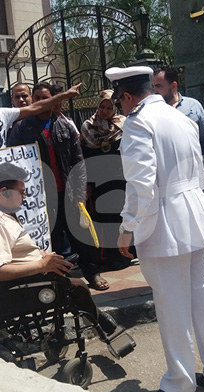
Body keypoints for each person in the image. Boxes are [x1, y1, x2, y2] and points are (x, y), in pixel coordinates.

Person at [109, 66, 204, 392]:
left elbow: (142, 185)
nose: (120, 107)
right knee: (202, 299)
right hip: (191, 215)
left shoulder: (138, 122)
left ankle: (180, 383)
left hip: (164, 222)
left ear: (126, 96)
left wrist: (127, 227)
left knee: (171, 305)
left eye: (119, 100)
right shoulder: (178, 116)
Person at [0, 163, 117, 335]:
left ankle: (97, 322)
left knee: (68, 272)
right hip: (13, 288)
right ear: (4, 192)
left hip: (25, 276)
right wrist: (42, 265)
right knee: (79, 287)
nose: (24, 197)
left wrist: (42, 257)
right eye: (21, 192)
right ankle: (101, 328)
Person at [8, 82, 108, 291]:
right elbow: (13, 162)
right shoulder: (21, 128)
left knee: (80, 236)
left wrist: (80, 192)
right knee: (51, 239)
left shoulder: (65, 125)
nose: (42, 101)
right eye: (37, 98)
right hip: (40, 197)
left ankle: (92, 273)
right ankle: (60, 280)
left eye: (45, 97)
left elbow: (78, 161)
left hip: (68, 193)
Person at [79, 89, 131, 271]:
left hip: (120, 179)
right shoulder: (88, 127)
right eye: (102, 107)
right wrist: (87, 184)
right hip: (99, 181)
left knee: (121, 217)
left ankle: (125, 255)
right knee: (103, 218)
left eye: (109, 108)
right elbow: (84, 157)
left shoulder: (124, 125)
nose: (105, 111)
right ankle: (108, 257)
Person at [152, 67, 204, 191]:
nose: (154, 91)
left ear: (173, 85)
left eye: (158, 86)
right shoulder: (152, 112)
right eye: (153, 87)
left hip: (195, 180)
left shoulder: (193, 106)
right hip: (166, 183)